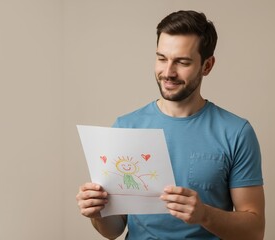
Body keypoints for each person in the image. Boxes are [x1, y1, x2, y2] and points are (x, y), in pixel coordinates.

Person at [76, 10, 265, 240]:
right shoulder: (125, 127)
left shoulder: (236, 132)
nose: (168, 72)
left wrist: (204, 214)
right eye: (162, 58)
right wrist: (97, 213)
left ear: (207, 66)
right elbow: (114, 230)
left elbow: (254, 231)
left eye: (182, 62)